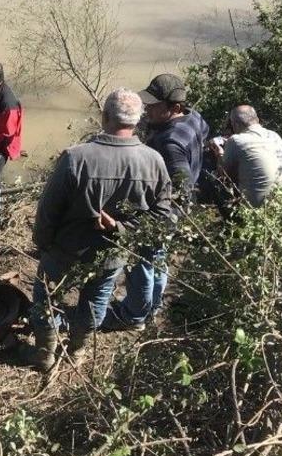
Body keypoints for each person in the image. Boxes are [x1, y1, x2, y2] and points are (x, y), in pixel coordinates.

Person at [24, 88, 172, 370]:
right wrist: (121, 228)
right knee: (95, 301)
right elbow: (162, 216)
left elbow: (48, 210)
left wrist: (42, 243)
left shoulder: (76, 157)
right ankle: (77, 351)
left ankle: (45, 353)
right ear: (138, 120)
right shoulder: (154, 161)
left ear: (104, 117)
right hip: (111, 253)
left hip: (65, 248)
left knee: (46, 297)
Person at [112, 73, 210, 329]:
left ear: (174, 108)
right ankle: (151, 306)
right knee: (158, 260)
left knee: (141, 263)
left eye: (154, 106)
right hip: (172, 215)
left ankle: (134, 316)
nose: (148, 109)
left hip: (160, 215)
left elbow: (182, 186)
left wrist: (157, 216)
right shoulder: (195, 118)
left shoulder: (169, 142)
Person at [216, 105, 282, 207]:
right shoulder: (274, 135)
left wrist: (220, 154)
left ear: (235, 125)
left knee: (212, 182)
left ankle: (231, 219)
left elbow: (224, 176)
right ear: (257, 119)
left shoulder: (235, 140)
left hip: (256, 210)